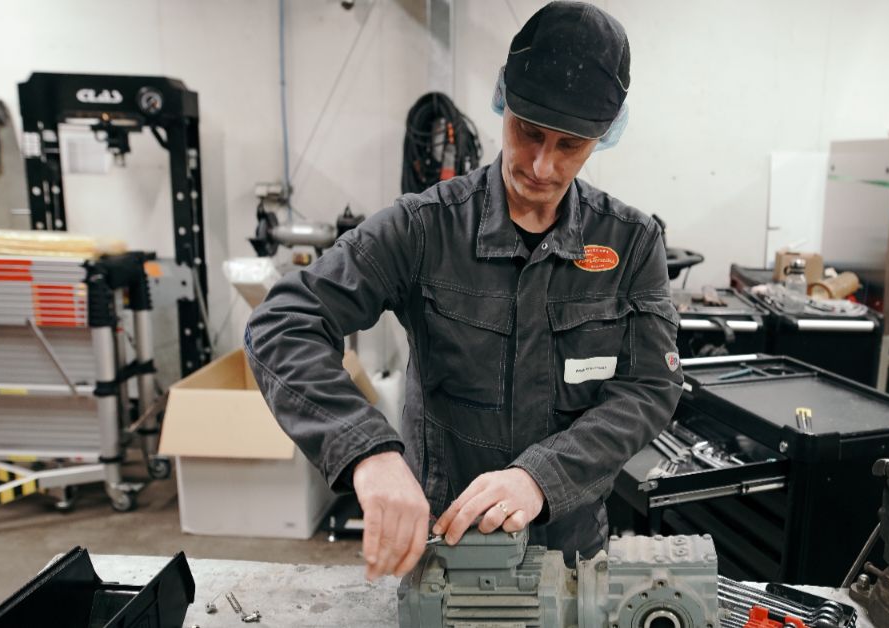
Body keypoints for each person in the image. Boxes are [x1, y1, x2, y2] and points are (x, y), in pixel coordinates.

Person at [245, 1, 681, 581]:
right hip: (447, 550)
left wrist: (541, 477)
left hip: (570, 551)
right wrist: (367, 450)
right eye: (529, 133)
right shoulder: (424, 228)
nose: (542, 166)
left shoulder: (631, 243)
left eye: (570, 145)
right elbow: (283, 323)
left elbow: (648, 387)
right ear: (503, 102)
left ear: (603, 137)